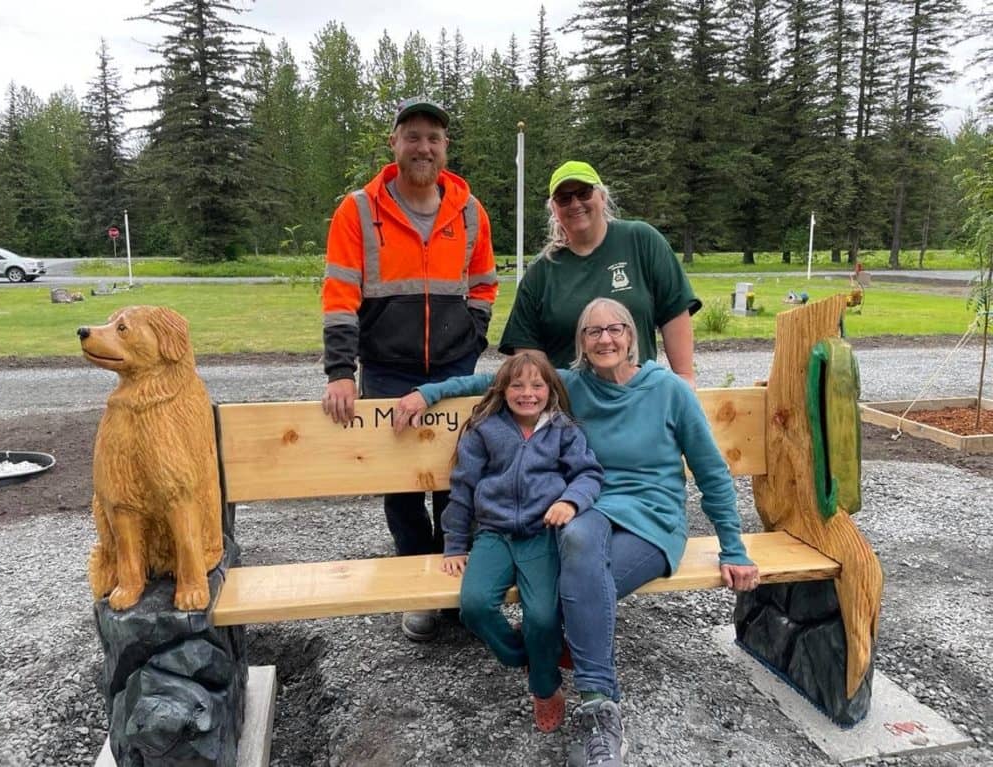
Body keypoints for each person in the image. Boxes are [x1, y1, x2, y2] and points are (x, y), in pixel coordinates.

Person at [394, 298, 760, 766]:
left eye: (615, 329)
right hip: (587, 508)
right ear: (581, 344)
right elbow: (493, 380)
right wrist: (429, 392)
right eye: (593, 332)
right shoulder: (570, 385)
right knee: (579, 545)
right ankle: (592, 698)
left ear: (631, 335)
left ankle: (595, 706)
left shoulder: (669, 391)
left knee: (578, 587)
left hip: (653, 517)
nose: (605, 339)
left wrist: (733, 546)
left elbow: (711, 471)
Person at [321, 95, 499, 642]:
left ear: (445, 147)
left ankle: (456, 592)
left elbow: (485, 285)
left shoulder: (470, 212)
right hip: (388, 372)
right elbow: (339, 293)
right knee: (399, 488)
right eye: (413, 135)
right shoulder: (358, 210)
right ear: (393, 142)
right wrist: (340, 372)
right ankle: (421, 589)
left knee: (458, 483)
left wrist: (468, 348)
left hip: (452, 369)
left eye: (434, 138)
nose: (424, 146)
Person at [442, 351, 603, 733]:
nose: (527, 393)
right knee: (475, 606)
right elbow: (463, 487)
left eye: (536, 385)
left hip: (541, 535)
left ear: (550, 389)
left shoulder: (563, 429)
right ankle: (527, 654)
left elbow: (589, 474)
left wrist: (570, 501)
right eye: (517, 385)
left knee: (543, 618)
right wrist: (454, 544)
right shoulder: (484, 428)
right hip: (493, 535)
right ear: (503, 389)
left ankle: (545, 688)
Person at [499, 160, 700, 387]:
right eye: (564, 198)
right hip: (570, 408)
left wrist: (684, 376)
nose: (575, 203)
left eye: (584, 193)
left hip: (635, 398)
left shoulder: (641, 240)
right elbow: (527, 348)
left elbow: (674, 309)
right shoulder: (541, 270)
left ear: (602, 197)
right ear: (554, 209)